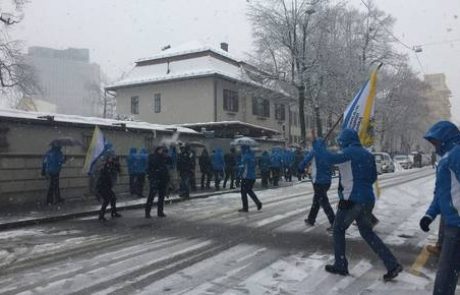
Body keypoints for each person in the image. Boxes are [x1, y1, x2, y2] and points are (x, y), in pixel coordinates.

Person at [314, 129, 402, 281]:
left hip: (352, 199)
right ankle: (392, 264)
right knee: (367, 233)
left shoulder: (348, 153)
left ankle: (341, 265)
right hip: (368, 199)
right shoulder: (367, 154)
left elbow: (328, 158)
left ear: (344, 141)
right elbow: (374, 176)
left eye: (340, 141)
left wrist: (318, 145)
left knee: (338, 230)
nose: (340, 144)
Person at [419, 121, 460, 295]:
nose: (434, 146)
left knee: (446, 274)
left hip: (456, 224)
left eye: (435, 142)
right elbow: (441, 193)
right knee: (448, 273)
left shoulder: (455, 155)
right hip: (453, 223)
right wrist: (429, 215)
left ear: (445, 138)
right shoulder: (448, 156)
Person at [298, 139, 335, 229]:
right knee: (317, 200)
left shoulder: (314, 152)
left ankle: (334, 223)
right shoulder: (328, 152)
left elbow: (305, 161)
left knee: (324, 202)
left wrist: (300, 168)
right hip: (327, 181)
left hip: (318, 181)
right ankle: (311, 219)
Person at [145, 146, 171, 218]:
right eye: (163, 151)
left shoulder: (164, 158)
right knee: (151, 196)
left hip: (162, 179)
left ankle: (160, 212)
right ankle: (147, 212)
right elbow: (153, 167)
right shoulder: (154, 157)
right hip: (155, 179)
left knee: (161, 196)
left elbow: (168, 165)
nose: (164, 153)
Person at [97, 153, 122, 221]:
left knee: (113, 198)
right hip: (103, 186)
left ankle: (113, 213)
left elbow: (119, 171)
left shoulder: (111, 166)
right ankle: (101, 215)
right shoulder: (107, 166)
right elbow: (106, 174)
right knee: (107, 200)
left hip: (106, 186)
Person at [238, 145, 262, 212]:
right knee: (249, 191)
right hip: (252, 177)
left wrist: (239, 174)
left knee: (243, 192)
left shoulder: (245, 157)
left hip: (246, 177)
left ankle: (245, 208)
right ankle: (258, 203)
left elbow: (243, 167)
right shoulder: (252, 157)